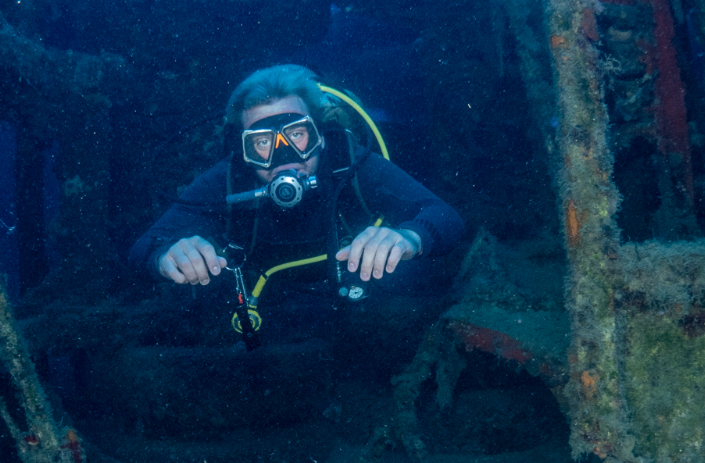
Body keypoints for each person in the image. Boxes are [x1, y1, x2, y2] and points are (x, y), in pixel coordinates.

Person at [128, 65, 463, 342]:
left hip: (358, 323)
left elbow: (444, 216)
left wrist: (409, 238)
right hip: (264, 334)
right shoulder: (229, 179)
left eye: (297, 134)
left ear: (318, 132)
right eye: (262, 142)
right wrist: (165, 256)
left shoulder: (349, 164)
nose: (284, 157)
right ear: (244, 150)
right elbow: (143, 247)